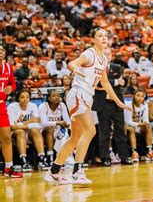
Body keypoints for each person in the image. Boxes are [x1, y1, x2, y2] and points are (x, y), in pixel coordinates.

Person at [44, 28, 130, 185]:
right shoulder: (90, 53)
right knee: (91, 130)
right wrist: (76, 69)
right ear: (93, 40)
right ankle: (77, 171)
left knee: (75, 137)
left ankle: (53, 171)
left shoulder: (103, 58)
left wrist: (118, 101)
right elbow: (72, 63)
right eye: (100, 35)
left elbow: (104, 82)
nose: (104, 38)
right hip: (78, 94)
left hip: (86, 96)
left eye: (106, 35)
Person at [93, 48, 131, 166]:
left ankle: (124, 157)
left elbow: (122, 82)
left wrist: (118, 81)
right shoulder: (96, 68)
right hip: (103, 104)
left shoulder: (116, 67)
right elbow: (100, 83)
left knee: (120, 131)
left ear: (111, 56)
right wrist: (115, 82)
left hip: (116, 103)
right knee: (104, 132)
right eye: (104, 54)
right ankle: (105, 158)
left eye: (108, 54)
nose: (107, 56)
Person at [8, 90, 48, 171]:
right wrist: (30, 123)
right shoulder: (12, 107)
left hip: (28, 131)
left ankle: (41, 158)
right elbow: (12, 126)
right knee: (20, 132)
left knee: (35, 130)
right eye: (22, 97)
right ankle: (23, 160)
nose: (25, 99)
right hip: (16, 134)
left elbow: (37, 120)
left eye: (27, 97)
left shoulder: (33, 106)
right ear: (18, 98)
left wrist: (22, 124)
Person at [0, 46, 22, 177]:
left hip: (2, 106)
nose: (0, 53)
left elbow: (13, 84)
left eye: (2, 51)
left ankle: (9, 168)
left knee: (7, 138)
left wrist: (10, 87)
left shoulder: (8, 67)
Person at [124, 88, 153, 162]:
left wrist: (145, 123)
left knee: (149, 127)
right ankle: (134, 152)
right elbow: (128, 121)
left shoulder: (145, 105)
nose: (140, 98)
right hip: (128, 126)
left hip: (139, 125)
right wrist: (139, 124)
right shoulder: (128, 105)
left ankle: (150, 151)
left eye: (142, 96)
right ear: (134, 96)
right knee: (132, 129)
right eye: (138, 95)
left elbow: (146, 119)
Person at [39, 90, 71, 167]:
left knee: (65, 130)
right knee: (50, 129)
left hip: (57, 130)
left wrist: (65, 124)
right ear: (49, 98)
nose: (57, 97)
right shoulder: (43, 106)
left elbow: (67, 121)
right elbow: (44, 123)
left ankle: (65, 157)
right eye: (53, 96)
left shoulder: (62, 105)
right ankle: (50, 157)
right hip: (43, 131)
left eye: (58, 96)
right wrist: (58, 122)